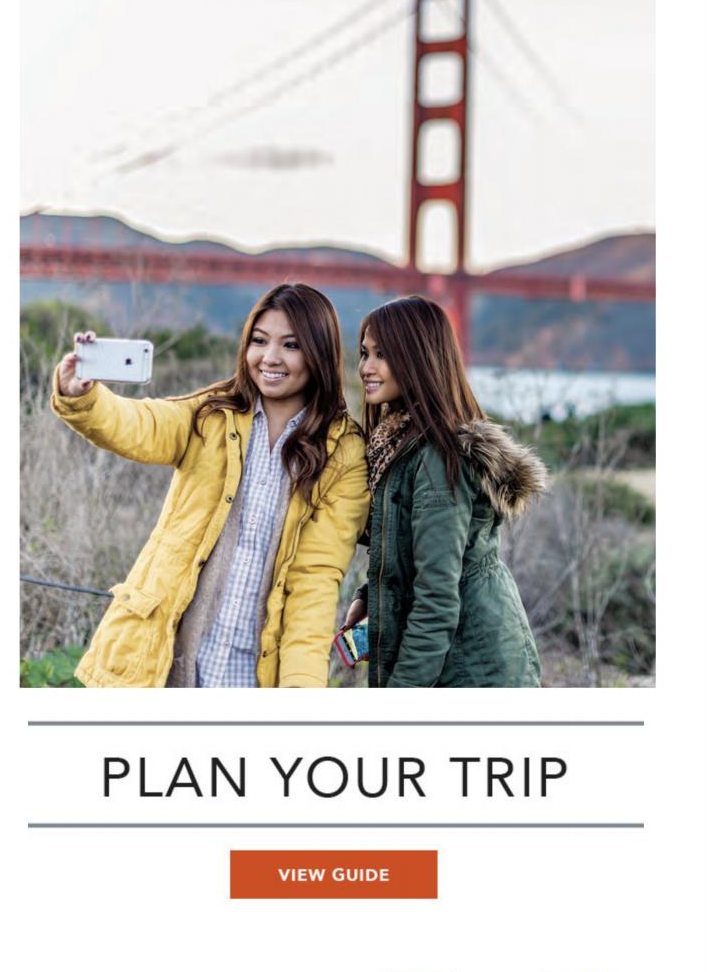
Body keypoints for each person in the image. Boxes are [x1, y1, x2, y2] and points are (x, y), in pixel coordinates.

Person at [51, 283, 369, 688]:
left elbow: (315, 584)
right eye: (259, 341)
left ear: (319, 353)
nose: (269, 358)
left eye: (290, 345)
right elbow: (140, 425)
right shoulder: (212, 413)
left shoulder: (343, 453)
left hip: (252, 675)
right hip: (164, 662)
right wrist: (85, 398)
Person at [346, 296, 546, 688]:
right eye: (364, 353)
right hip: (456, 661)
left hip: (474, 670)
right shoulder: (400, 442)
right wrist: (370, 596)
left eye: (382, 355)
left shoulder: (436, 457)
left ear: (417, 357)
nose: (365, 368)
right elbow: (416, 553)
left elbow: (437, 602)